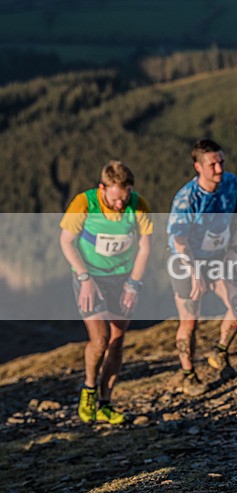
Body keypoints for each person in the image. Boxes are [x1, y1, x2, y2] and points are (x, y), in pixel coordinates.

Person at [60, 160, 153, 424]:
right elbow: (66, 242)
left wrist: (133, 284)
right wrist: (84, 278)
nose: (120, 204)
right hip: (90, 276)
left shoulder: (137, 205)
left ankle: (105, 403)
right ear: (102, 188)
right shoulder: (84, 203)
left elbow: (145, 248)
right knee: (100, 339)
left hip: (122, 278)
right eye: (115, 199)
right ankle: (89, 389)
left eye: (125, 197)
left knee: (117, 339)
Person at [166, 139, 237, 396]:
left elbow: (236, 214)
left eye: (221, 162)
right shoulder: (186, 199)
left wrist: (233, 249)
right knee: (189, 321)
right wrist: (194, 272)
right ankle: (188, 375)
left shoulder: (231, 183)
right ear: (198, 167)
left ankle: (219, 353)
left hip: (219, 257)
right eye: (212, 164)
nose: (219, 168)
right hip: (186, 261)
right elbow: (178, 241)